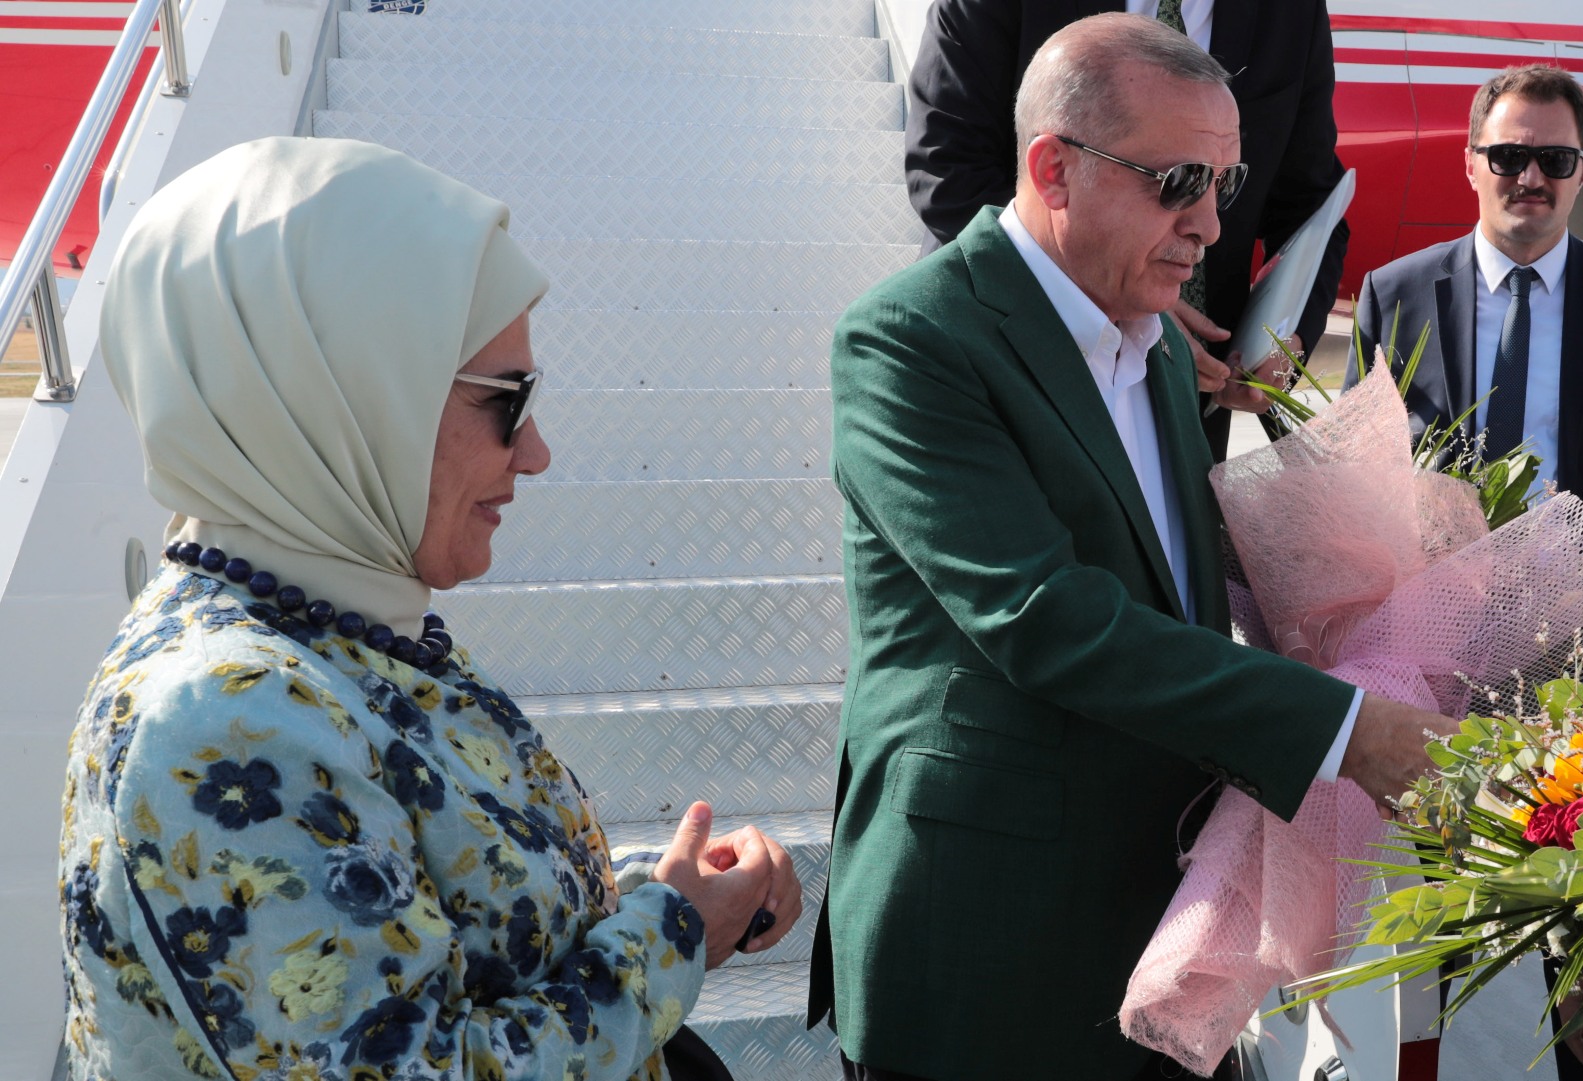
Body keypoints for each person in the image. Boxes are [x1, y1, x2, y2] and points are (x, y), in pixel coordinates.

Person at [57, 137, 802, 1081]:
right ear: (341, 394)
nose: (536, 451)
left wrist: (665, 893)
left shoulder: (324, 631)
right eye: (508, 398)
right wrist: (671, 933)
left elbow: (418, 916)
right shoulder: (221, 718)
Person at [810, 16, 1445, 1081]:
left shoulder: (1159, 350)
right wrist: (1348, 729)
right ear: (1053, 169)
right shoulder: (913, 340)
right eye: (1177, 182)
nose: (1209, 226)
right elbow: (1047, 619)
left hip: (1159, 951)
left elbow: (1170, 594)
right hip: (986, 960)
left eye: (1224, 186)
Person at [904, 0, 1348, 459]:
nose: (1208, 227)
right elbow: (946, 168)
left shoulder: (1293, 13)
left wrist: (1284, 339)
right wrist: (1131, 302)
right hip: (1009, 356)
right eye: (1179, 181)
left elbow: (1312, 202)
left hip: (1191, 396)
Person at [1348, 64, 1583, 509]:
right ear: (1470, 166)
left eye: (1556, 160)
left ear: (1582, 173)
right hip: (1433, 555)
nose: (1530, 179)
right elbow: (1355, 469)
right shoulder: (1394, 297)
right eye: (1508, 157)